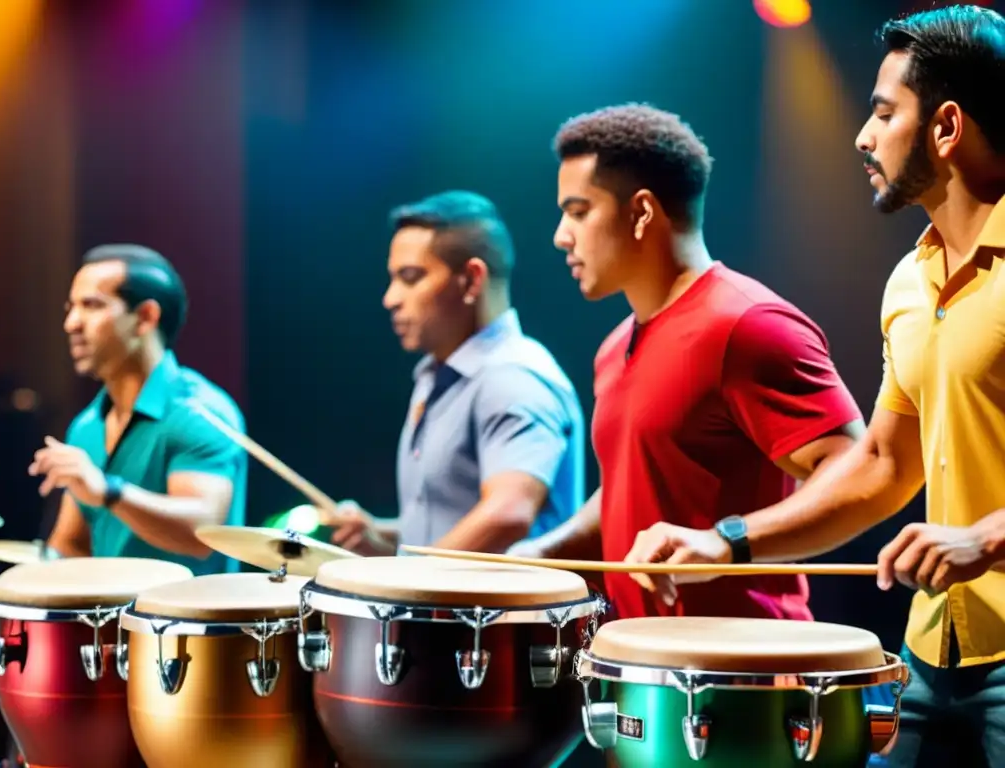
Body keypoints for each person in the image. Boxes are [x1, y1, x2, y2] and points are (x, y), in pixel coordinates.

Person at [623, 6, 1005, 766]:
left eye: (885, 112)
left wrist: (984, 536)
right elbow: (883, 466)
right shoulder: (907, 283)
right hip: (933, 653)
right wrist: (727, 540)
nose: (863, 136)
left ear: (947, 127)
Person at [510, 103, 864, 625]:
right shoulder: (613, 346)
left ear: (643, 211)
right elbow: (637, 486)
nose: (561, 235)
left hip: (743, 677)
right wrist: (543, 554)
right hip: (641, 671)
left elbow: (855, 468)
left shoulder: (748, 323)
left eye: (579, 211)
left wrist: (728, 542)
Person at [330, 191, 585, 556]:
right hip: (449, 612)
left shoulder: (512, 377)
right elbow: (450, 522)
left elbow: (508, 513)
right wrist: (382, 537)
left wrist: (403, 579)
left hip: (505, 615)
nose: (391, 298)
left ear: (471, 280)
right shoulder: (436, 375)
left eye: (411, 277)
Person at [28, 244, 246, 575]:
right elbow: (72, 544)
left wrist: (108, 490)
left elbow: (204, 534)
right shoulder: (86, 426)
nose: (71, 323)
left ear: (145, 317)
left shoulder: (200, 413)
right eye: (71, 307)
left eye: (92, 305)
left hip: (186, 625)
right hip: (108, 625)